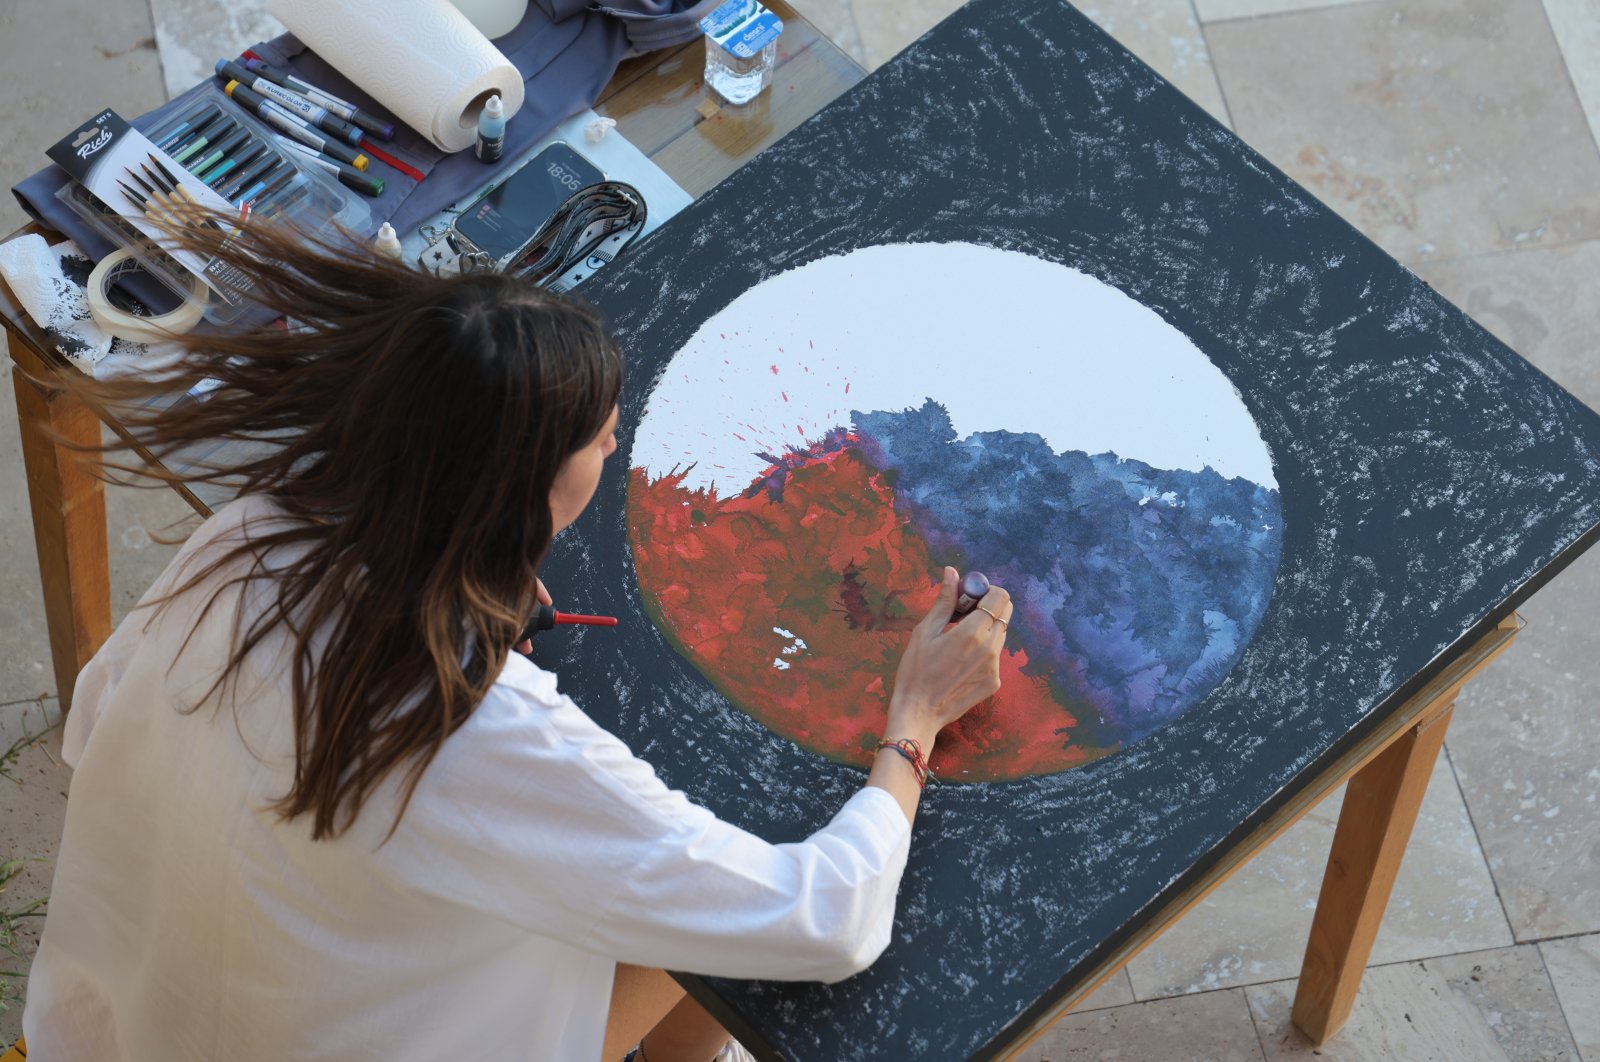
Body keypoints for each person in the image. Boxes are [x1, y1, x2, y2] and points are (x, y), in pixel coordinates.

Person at [19, 216, 1012, 1062]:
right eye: (599, 434)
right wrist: (916, 719)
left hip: (123, 1020)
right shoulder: (476, 730)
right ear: (526, 485)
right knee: (696, 928)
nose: (619, 441)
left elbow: (95, 722)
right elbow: (822, 920)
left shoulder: (249, 538)